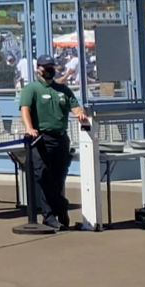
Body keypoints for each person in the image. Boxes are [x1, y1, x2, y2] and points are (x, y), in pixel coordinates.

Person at [18, 59, 89, 231]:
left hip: (60, 138)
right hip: (41, 138)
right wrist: (29, 128)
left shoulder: (62, 89)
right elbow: (24, 109)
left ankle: (59, 210)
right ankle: (52, 214)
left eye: (52, 67)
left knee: (58, 178)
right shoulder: (31, 88)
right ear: (38, 70)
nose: (50, 70)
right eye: (46, 68)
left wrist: (81, 114)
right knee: (42, 176)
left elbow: (75, 107)